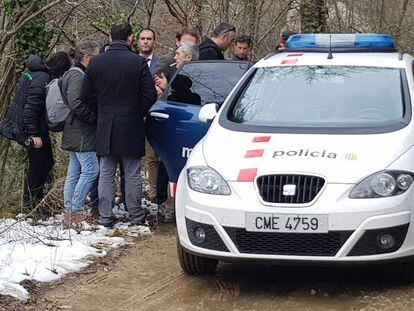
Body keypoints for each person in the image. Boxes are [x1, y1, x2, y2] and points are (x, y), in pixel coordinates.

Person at [81, 22, 157, 231]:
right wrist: (137, 111)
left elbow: (84, 95)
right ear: (131, 38)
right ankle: (136, 216)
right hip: (131, 123)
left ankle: (105, 216)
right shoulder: (138, 62)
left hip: (105, 123)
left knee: (106, 172)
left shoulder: (96, 63)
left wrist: (101, 110)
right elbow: (149, 94)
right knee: (131, 172)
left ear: (109, 38)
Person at [23, 52, 71, 211]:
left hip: (38, 128)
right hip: (35, 130)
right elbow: (31, 107)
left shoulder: (40, 76)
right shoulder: (43, 79)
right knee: (37, 166)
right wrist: (33, 134)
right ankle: (29, 206)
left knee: (46, 162)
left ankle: (35, 201)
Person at [61, 41, 100, 215]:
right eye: (96, 57)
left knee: (74, 171)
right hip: (82, 131)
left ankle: (69, 210)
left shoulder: (72, 73)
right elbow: (76, 103)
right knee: (91, 170)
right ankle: (74, 209)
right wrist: (94, 118)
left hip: (75, 130)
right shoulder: (77, 76)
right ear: (86, 56)